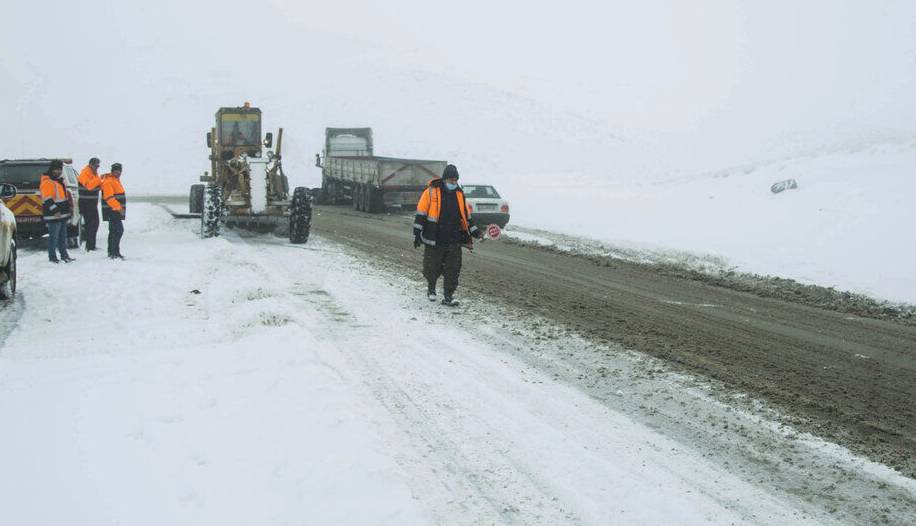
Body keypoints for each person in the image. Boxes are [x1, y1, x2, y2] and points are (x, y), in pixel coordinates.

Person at [413, 164, 482, 306]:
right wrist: (417, 233)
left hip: (454, 239)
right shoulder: (431, 192)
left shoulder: (459, 193)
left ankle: (448, 296)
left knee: (453, 269)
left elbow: (466, 217)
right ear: (444, 179)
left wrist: (476, 232)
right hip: (435, 238)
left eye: (456, 180)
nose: (454, 183)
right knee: (432, 266)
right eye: (451, 180)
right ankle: (431, 289)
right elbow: (421, 213)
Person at [39, 159, 75, 263]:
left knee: (63, 237)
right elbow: (47, 199)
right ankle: (52, 257)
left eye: (60, 169)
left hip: (62, 214)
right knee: (53, 238)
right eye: (56, 169)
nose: (58, 171)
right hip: (54, 215)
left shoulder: (58, 181)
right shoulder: (47, 182)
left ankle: (64, 255)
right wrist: (55, 211)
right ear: (51, 169)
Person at [101, 163, 127, 260]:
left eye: (120, 170)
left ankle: (113, 251)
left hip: (115, 210)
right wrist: (119, 208)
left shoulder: (116, 181)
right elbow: (109, 198)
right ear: (112, 171)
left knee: (114, 231)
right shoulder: (109, 181)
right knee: (118, 230)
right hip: (112, 210)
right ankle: (114, 252)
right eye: (116, 170)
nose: (118, 172)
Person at [78, 157, 103, 251]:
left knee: (94, 224)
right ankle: (90, 247)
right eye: (96, 165)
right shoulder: (84, 174)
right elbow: (89, 186)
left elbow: (97, 186)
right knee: (91, 224)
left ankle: (91, 245)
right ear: (91, 164)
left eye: (98, 165)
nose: (97, 167)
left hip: (92, 204)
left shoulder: (94, 174)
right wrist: (99, 180)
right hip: (86, 204)